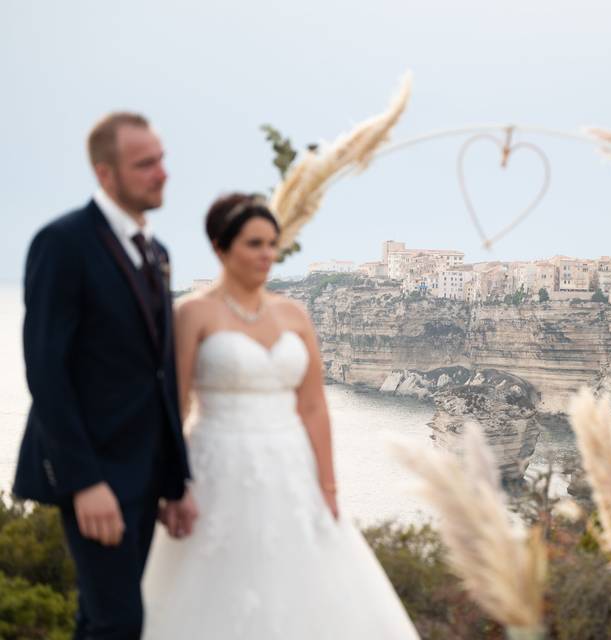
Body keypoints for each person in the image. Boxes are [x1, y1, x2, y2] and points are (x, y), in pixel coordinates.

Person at [141, 193, 419, 638]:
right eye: (254, 243)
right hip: (217, 465)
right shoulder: (192, 313)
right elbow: (176, 406)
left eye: (272, 244)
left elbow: (312, 406)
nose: (267, 254)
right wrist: (174, 486)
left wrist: (328, 486)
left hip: (292, 470)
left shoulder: (294, 313)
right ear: (220, 247)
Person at [13, 112, 195, 639]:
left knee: (98, 619)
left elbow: (160, 378)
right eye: (145, 164)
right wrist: (84, 482)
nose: (162, 173)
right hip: (94, 474)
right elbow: (45, 370)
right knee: (120, 622)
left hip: (146, 471)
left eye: (161, 159)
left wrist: (176, 478)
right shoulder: (63, 243)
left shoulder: (157, 254)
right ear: (105, 174)